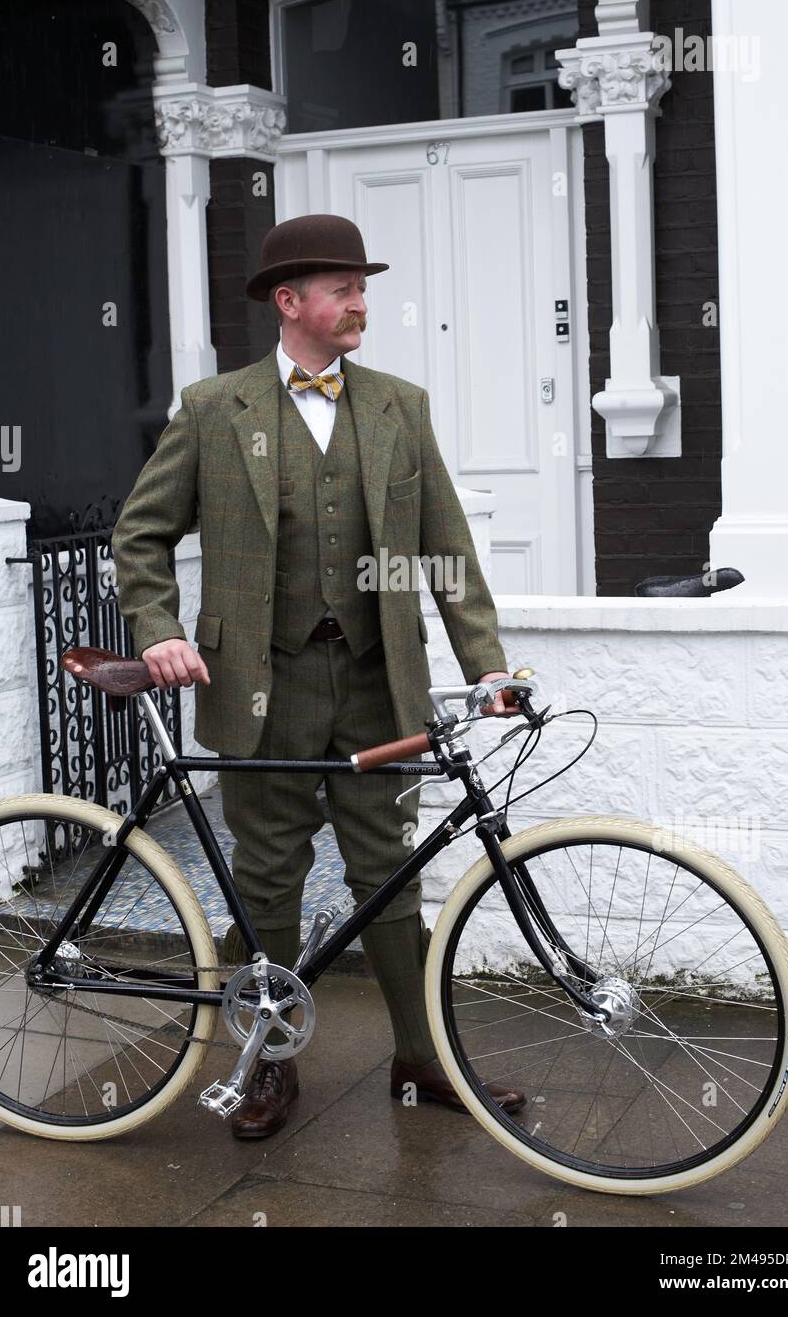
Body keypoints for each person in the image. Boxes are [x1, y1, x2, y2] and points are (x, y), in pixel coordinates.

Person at [111, 213, 526, 1140]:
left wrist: (486, 664)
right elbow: (138, 536)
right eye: (342, 289)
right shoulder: (216, 408)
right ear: (289, 302)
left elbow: (445, 549)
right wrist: (159, 630)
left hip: (381, 683)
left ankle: (422, 1061)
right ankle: (263, 1066)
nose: (360, 304)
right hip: (262, 683)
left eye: (362, 287)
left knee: (393, 880)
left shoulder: (398, 406)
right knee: (267, 883)